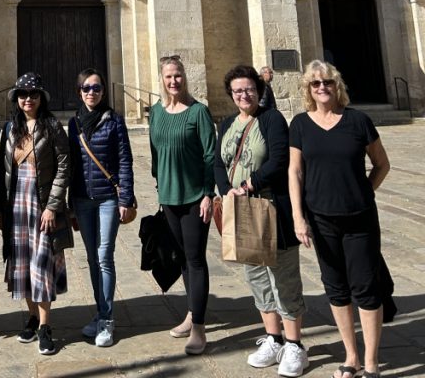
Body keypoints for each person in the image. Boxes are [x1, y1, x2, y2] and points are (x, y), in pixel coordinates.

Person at [289, 60, 390, 378]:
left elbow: (382, 164)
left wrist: (364, 191)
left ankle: (371, 363)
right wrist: (298, 218)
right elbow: (295, 170)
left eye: (327, 82)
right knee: (336, 289)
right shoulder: (301, 124)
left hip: (359, 219)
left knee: (366, 289)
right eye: (315, 84)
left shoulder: (358, 121)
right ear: (308, 89)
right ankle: (351, 358)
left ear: (337, 85)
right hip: (321, 220)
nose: (322, 88)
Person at [214, 65, 308, 377]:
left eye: (249, 89)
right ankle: (274, 338)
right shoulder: (228, 122)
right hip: (240, 208)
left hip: (270, 207)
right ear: (231, 94)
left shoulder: (272, 119)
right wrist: (227, 191)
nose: (244, 94)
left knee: (283, 276)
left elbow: (280, 160)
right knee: (256, 275)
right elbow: (218, 161)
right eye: (238, 90)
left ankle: (295, 345)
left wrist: (248, 185)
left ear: (259, 89)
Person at [0, 71, 70, 356]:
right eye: (23, 95)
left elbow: (65, 165)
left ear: (42, 98)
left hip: (42, 207)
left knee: (42, 264)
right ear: (16, 99)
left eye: (33, 94)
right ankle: (30, 316)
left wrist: (53, 205)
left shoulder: (52, 126)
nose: (28, 99)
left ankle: (44, 326)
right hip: (17, 206)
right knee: (23, 265)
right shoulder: (10, 129)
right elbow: (2, 171)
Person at [149, 54, 215, 355]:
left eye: (177, 75)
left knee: (196, 258)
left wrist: (207, 194)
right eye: (168, 76)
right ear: (161, 79)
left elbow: (210, 156)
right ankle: (192, 313)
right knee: (184, 259)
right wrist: (159, 184)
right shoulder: (156, 113)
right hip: (169, 197)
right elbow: (154, 152)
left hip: (194, 198)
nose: (173, 81)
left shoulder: (198, 112)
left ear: (184, 77)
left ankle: (199, 328)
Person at [68, 67, 135, 347]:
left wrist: (125, 198)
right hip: (83, 200)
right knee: (92, 258)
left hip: (108, 197)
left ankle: (107, 319)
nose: (91, 92)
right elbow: (71, 165)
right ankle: (99, 312)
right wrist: (70, 205)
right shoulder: (74, 124)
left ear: (104, 91)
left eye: (96, 87)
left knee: (105, 255)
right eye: (86, 88)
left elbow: (124, 160)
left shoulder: (115, 121)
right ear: (79, 91)